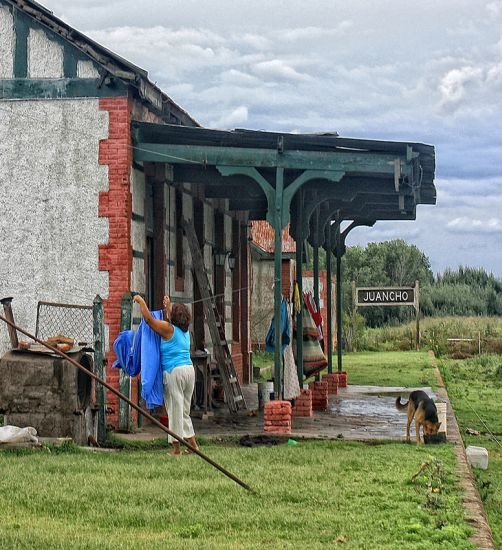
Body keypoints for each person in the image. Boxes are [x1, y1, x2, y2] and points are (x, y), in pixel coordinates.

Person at [133, 294, 198, 456]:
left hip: (173, 372)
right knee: (184, 411)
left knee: (175, 411)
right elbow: (172, 316)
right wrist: (168, 306)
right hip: (189, 371)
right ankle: (193, 446)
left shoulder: (168, 329)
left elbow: (149, 320)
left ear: (173, 318)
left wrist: (141, 301)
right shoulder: (184, 332)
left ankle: (176, 449)